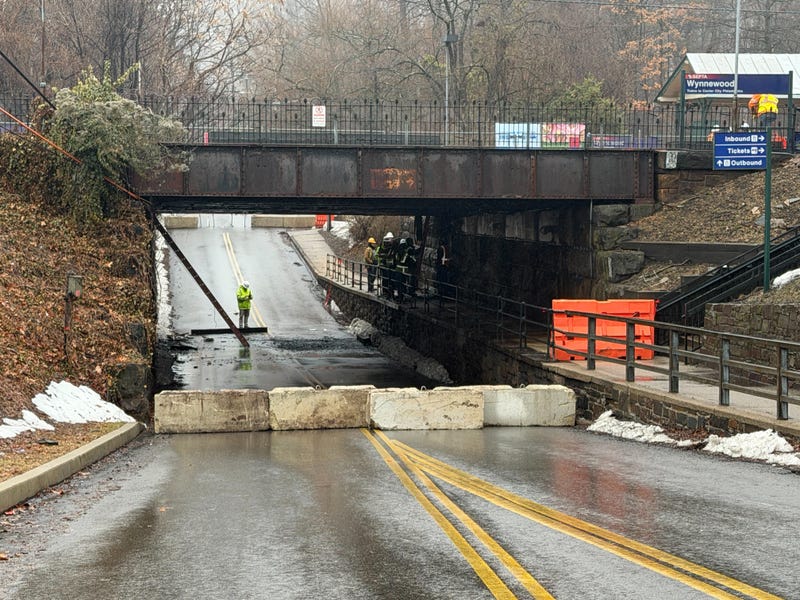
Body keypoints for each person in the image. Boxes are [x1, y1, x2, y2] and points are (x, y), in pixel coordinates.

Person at [376, 232, 395, 298]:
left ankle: (385, 292)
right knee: (387, 279)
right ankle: (387, 292)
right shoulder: (388, 247)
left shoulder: (383, 245)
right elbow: (388, 256)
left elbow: (380, 254)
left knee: (385, 279)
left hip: (384, 265)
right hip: (387, 265)